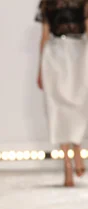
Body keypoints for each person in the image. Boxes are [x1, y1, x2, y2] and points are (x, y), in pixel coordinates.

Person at [36, 0, 88, 186]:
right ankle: (67, 165)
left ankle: (77, 152)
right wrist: (40, 70)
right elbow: (44, 36)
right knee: (57, 108)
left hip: (79, 55)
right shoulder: (47, 3)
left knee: (79, 105)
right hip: (55, 56)